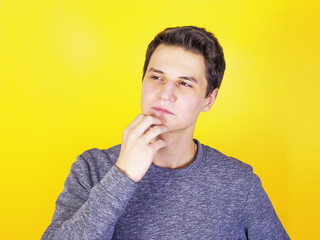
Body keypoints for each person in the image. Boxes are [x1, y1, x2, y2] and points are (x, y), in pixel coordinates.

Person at [42, 26, 290, 239]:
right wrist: (122, 176)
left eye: (184, 83)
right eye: (156, 77)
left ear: (209, 99)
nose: (165, 93)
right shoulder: (92, 168)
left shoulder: (239, 183)